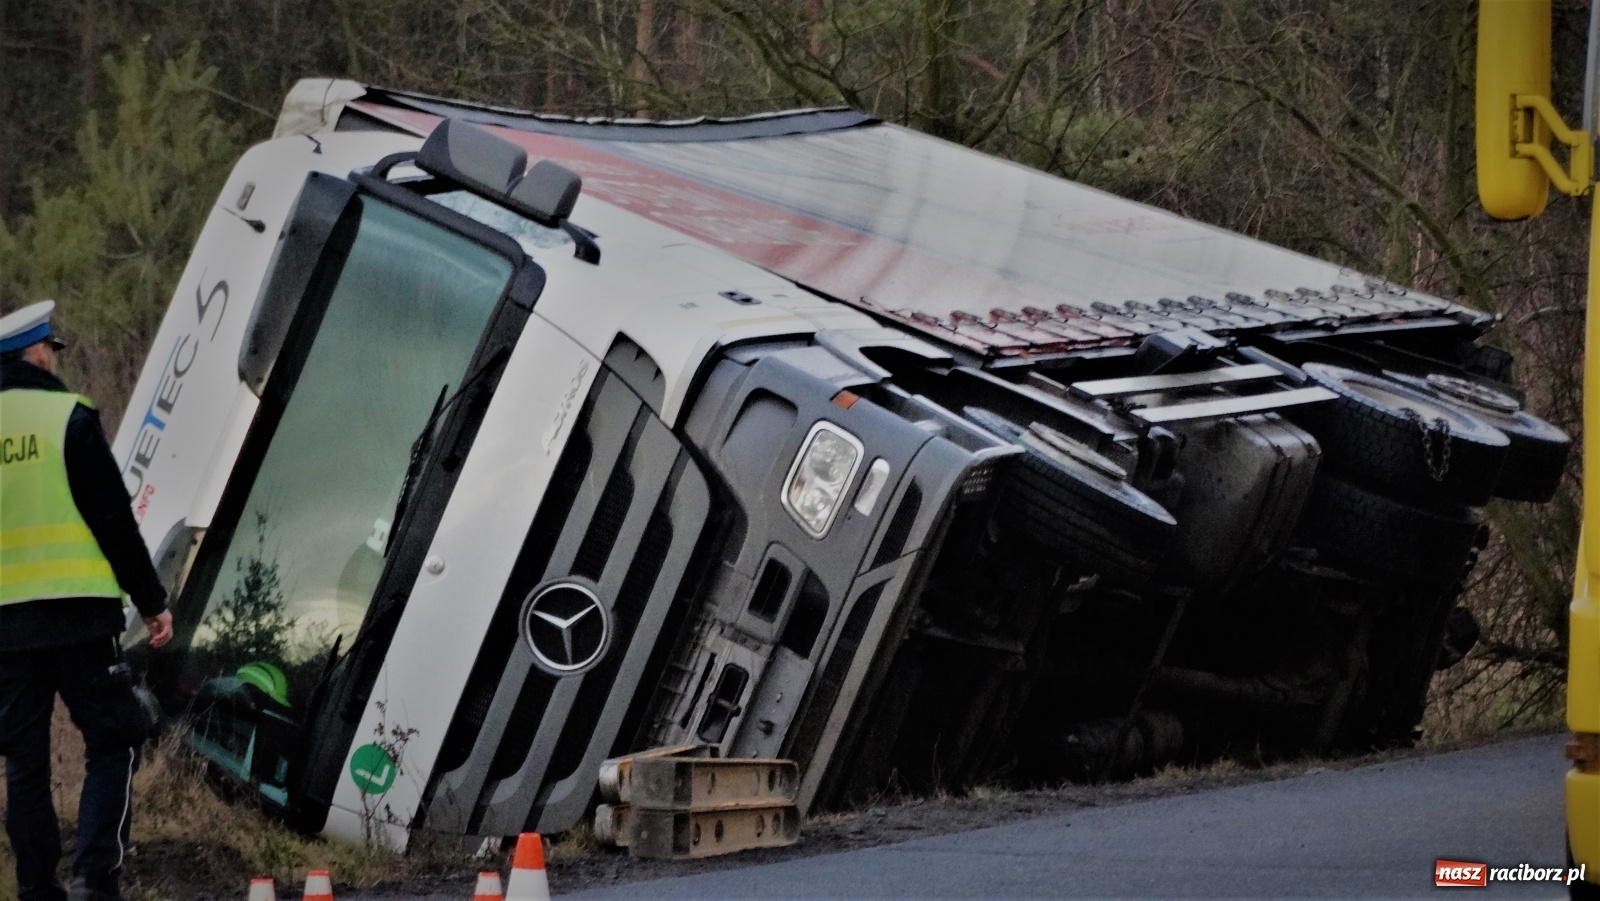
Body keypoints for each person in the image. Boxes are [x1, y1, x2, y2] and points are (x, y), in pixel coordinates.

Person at [0, 300, 173, 901]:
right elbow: (114, 522)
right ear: (39, 352)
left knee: (24, 767)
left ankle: (34, 889)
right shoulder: (65, 416)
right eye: (52, 350)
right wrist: (152, 601)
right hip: (77, 621)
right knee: (115, 740)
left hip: (5, 633)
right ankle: (94, 880)